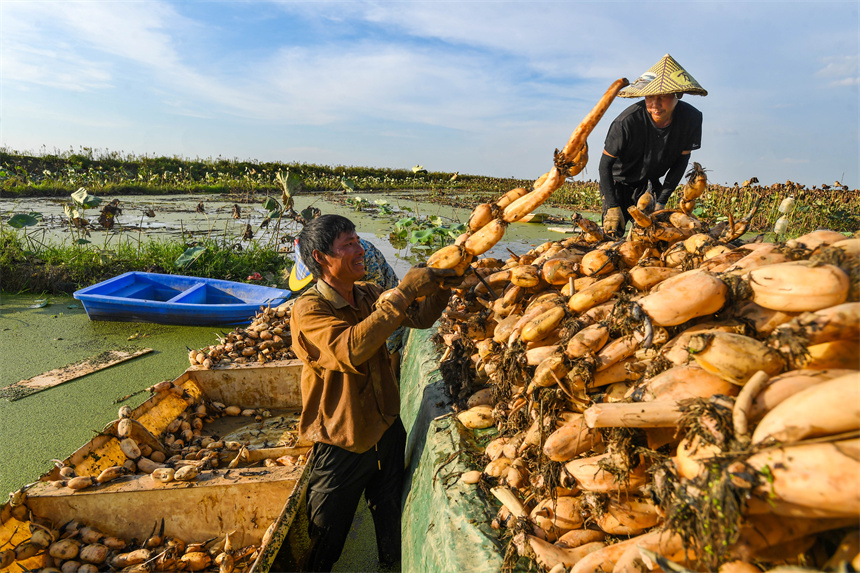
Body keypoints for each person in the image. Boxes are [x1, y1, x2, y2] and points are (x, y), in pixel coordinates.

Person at [289, 214, 458, 572]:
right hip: (344, 439)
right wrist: (404, 291)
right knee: (324, 536)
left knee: (390, 513)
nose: (359, 249)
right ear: (321, 258)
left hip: (385, 427)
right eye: (347, 244)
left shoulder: (367, 292)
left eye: (357, 240)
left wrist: (442, 286)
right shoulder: (309, 309)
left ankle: (389, 562)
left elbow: (419, 319)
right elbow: (351, 349)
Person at [599, 54, 707, 237]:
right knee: (612, 236)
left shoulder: (691, 119)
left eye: (662, 97)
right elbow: (605, 165)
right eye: (650, 97)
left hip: (649, 185)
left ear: (678, 94)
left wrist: (662, 200)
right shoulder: (626, 122)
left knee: (652, 236)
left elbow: (681, 162)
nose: (655, 105)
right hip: (618, 183)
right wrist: (612, 206)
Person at [289, 232, 408, 375]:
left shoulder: (361, 260)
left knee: (388, 341)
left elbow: (376, 298)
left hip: (384, 295)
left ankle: (392, 375)